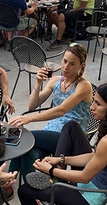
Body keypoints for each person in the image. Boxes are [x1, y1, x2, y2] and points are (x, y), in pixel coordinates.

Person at [8, 43, 92, 180]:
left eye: (72, 64)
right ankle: (30, 192)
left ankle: (8, 181)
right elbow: (32, 106)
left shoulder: (83, 86)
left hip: (70, 137)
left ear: (81, 66)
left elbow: (61, 110)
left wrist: (29, 119)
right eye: (64, 61)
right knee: (29, 153)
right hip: (50, 132)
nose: (65, 67)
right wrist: (38, 83)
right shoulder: (55, 80)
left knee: (24, 138)